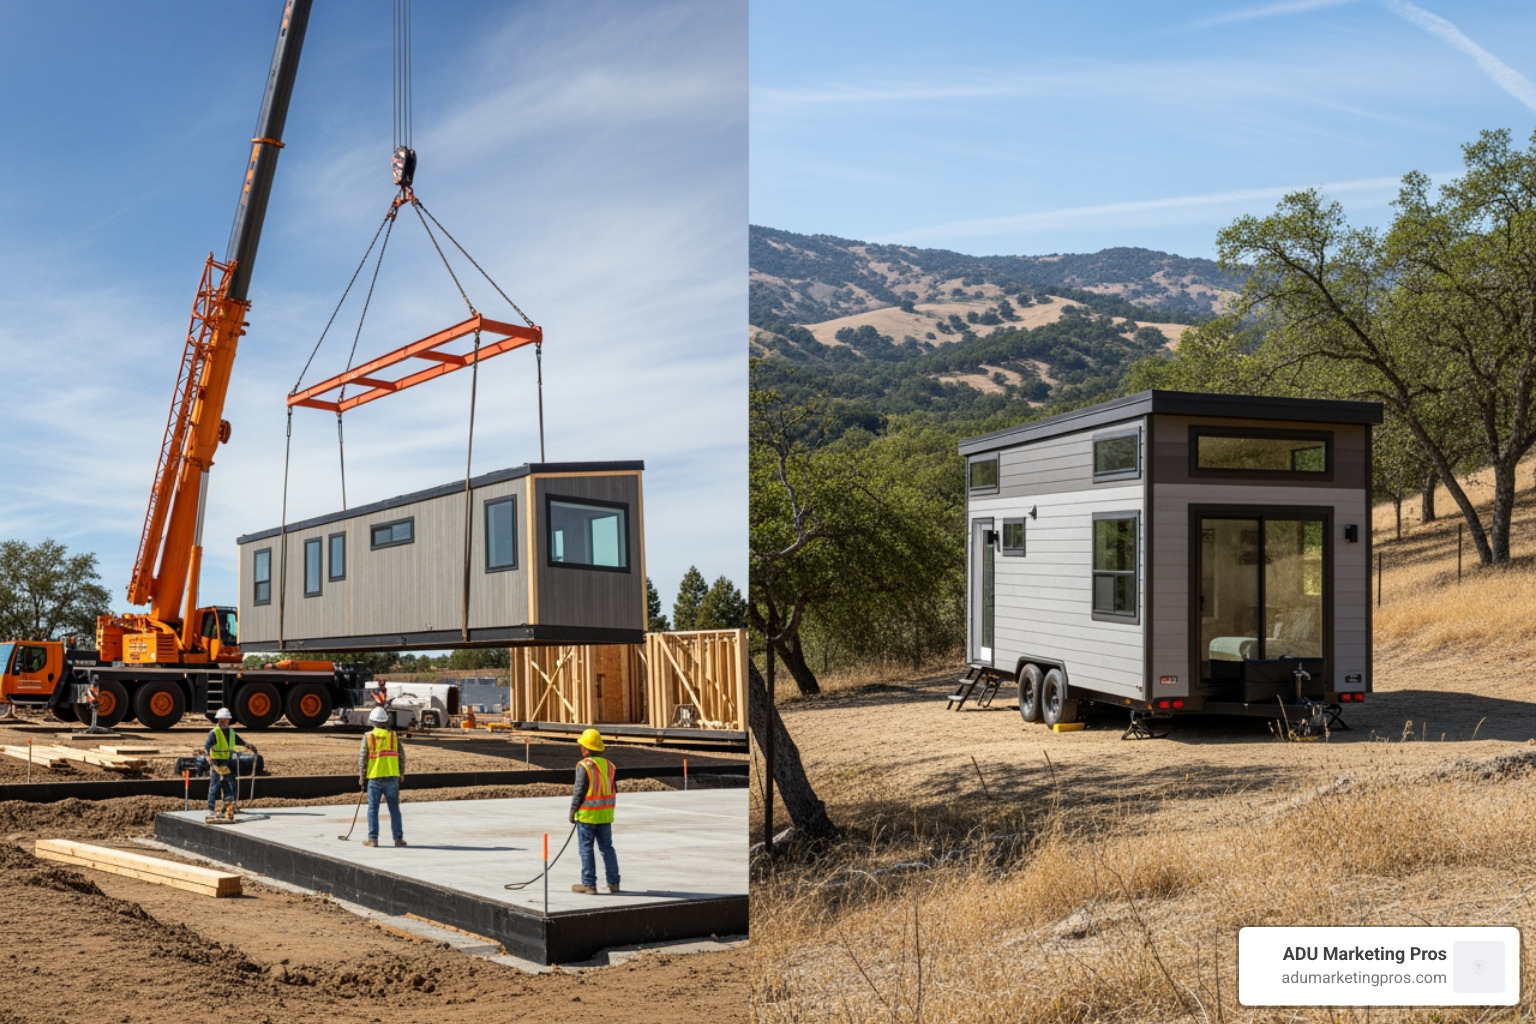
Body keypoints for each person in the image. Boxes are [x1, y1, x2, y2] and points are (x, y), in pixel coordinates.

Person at [569, 728, 620, 895]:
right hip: (605, 815)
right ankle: (614, 882)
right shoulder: (609, 766)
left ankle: (589, 884)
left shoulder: (585, 766)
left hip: (587, 815)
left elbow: (579, 791)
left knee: (586, 848)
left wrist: (572, 811)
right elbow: (614, 789)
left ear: (585, 749)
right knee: (607, 848)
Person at [358, 706, 406, 848]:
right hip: (392, 777)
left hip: (375, 778)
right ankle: (398, 839)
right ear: (386, 721)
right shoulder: (393, 736)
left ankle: (373, 839)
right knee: (394, 809)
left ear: (372, 721)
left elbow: (363, 759)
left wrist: (362, 778)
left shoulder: (368, 737)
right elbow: (402, 757)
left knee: (373, 809)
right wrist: (401, 774)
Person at [205, 708, 256, 822]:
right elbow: (207, 747)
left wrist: (248, 746)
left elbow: (240, 741)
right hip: (217, 762)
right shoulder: (214, 733)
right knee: (214, 786)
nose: (223, 722)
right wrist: (209, 757)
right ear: (218, 720)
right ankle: (211, 810)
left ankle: (227, 809)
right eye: (221, 720)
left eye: (225, 720)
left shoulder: (231, 732)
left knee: (228, 784)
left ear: (228, 721)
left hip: (227, 762)